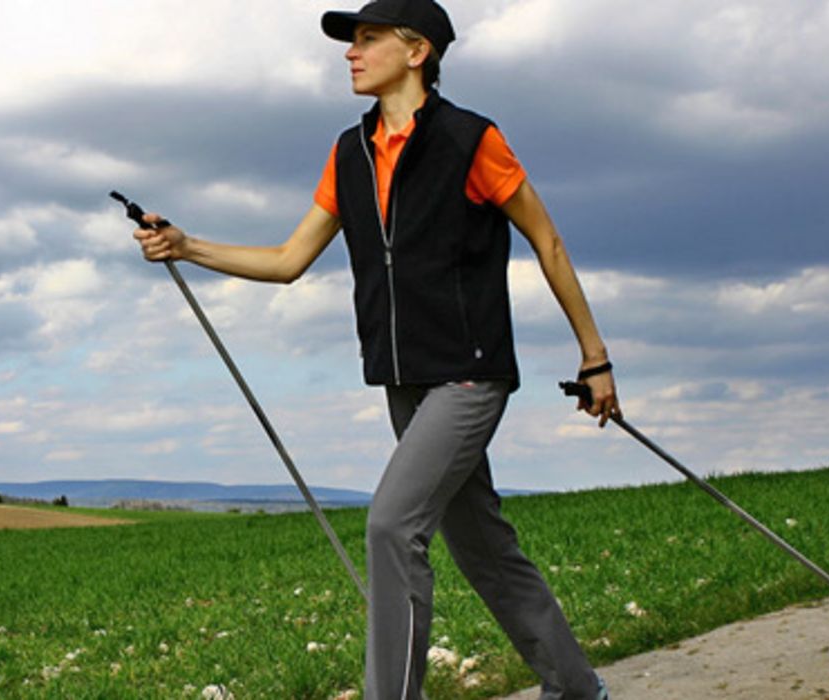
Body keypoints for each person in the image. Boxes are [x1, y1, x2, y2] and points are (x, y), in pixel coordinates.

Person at [131, 1, 618, 698]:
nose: (349, 53)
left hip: (468, 375)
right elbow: (288, 257)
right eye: (349, 41)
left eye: (366, 38)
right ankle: (576, 688)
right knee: (482, 546)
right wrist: (186, 245)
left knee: (391, 528)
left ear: (416, 51)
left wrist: (593, 357)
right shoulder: (348, 151)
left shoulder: (470, 140)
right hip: (402, 379)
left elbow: (548, 241)